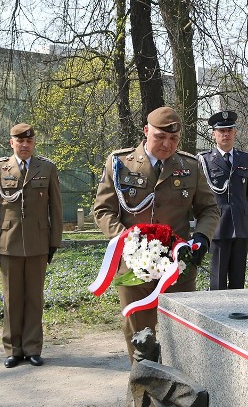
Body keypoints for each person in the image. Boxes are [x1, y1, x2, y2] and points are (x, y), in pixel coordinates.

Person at [93, 106, 219, 355]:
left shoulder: (190, 166)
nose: (167, 144)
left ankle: (181, 391)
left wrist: (202, 237)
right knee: (139, 337)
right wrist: (127, 240)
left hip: (177, 267)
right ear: (146, 131)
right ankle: (144, 390)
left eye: (173, 139)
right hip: (134, 265)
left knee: (183, 338)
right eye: (160, 137)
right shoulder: (121, 164)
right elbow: (103, 210)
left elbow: (209, 210)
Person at [0, 123, 63, 368]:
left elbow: (56, 209)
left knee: (34, 298)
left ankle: (32, 348)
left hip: (39, 243)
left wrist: (54, 242)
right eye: (20, 141)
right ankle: (13, 349)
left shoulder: (47, 168)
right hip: (8, 242)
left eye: (29, 141)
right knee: (12, 298)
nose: (25, 145)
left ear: (34, 142)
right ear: (12, 143)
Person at [198, 110, 248, 290]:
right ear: (213, 134)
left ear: (235, 133)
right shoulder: (204, 161)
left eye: (229, 130)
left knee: (239, 280)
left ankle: (237, 314)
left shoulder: (245, 159)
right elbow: (199, 198)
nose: (226, 134)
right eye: (221, 131)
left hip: (241, 226)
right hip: (217, 228)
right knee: (217, 281)